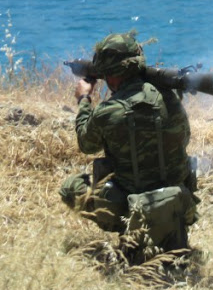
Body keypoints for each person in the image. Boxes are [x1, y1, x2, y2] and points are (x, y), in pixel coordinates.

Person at [59, 31, 199, 261]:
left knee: (71, 187)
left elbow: (86, 143)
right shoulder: (169, 98)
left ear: (111, 75)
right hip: (179, 202)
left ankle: (129, 230)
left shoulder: (108, 112)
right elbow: (185, 137)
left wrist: (84, 100)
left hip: (128, 207)